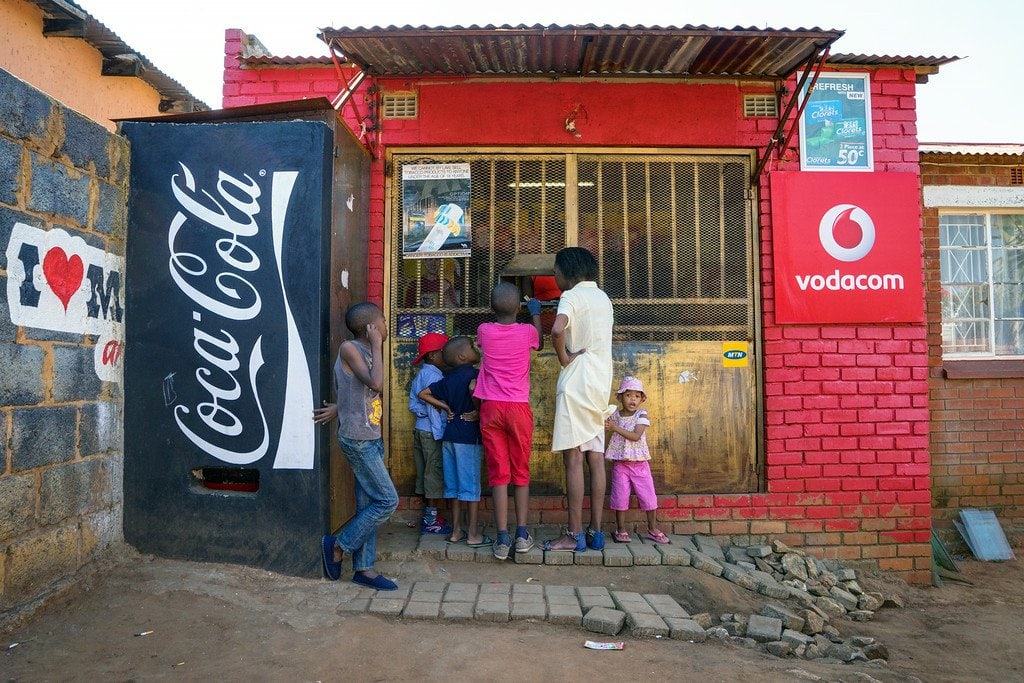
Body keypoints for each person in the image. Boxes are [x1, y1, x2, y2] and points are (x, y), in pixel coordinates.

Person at [315, 302, 400, 591]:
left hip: (371, 437)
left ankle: (364, 569)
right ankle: (339, 545)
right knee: (387, 500)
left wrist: (339, 408)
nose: (386, 328)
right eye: (383, 323)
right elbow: (375, 385)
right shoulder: (350, 348)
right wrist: (377, 345)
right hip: (358, 441)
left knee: (368, 503)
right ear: (371, 328)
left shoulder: (363, 351)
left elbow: (353, 393)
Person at [543, 247, 614, 553]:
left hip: (577, 382)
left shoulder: (571, 296)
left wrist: (564, 358)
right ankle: (596, 533)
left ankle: (573, 536)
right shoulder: (603, 298)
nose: (554, 276)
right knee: (595, 456)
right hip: (600, 382)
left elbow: (557, 328)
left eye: (555, 271)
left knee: (573, 458)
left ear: (567, 272)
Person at [474, 282, 543, 560]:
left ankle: (502, 538)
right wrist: (535, 313)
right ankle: (522, 534)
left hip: (490, 407)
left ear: (492, 308)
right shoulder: (527, 331)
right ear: (519, 307)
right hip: (518, 408)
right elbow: (539, 340)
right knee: (520, 471)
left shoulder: (484, 331)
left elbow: (481, 345)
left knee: (498, 473)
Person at [418, 337, 490, 548]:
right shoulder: (476, 375)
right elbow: (474, 390)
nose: (476, 348)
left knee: (454, 486)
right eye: (472, 347)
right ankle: (473, 533)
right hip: (468, 437)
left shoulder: (447, 379)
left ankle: (456, 531)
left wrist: (447, 409)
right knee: (471, 487)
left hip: (449, 435)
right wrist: (477, 410)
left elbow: (424, 394)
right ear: (462, 356)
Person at [605, 376, 670, 544]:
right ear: (620, 397)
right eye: (628, 395)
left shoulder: (642, 414)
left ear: (642, 399)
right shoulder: (614, 415)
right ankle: (620, 529)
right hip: (620, 464)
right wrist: (608, 425)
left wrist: (614, 428)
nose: (632, 399)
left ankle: (652, 529)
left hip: (640, 464)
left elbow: (635, 436)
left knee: (648, 496)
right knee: (620, 497)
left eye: (636, 396)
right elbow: (604, 425)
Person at [408, 331, 451, 535]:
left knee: (426, 472)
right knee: (433, 473)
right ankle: (431, 520)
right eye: (445, 352)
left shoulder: (423, 373)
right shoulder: (434, 375)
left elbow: (414, 404)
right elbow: (433, 410)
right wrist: (439, 433)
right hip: (431, 433)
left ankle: (428, 515)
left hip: (420, 429)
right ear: (433, 355)